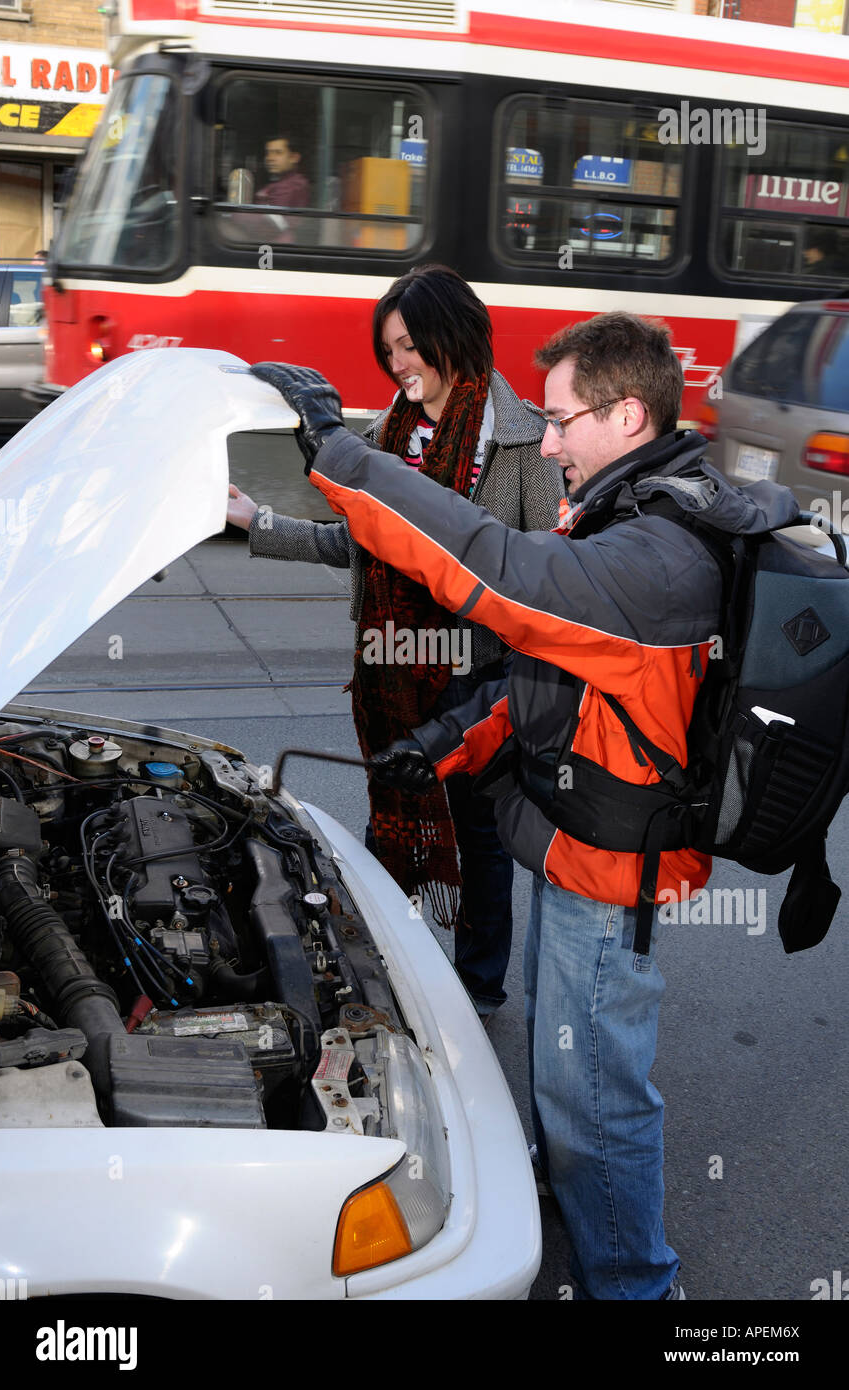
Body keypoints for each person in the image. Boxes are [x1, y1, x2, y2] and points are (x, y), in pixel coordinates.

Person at [246, 312, 799, 1299]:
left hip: (606, 868)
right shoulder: (636, 511)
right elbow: (549, 680)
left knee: (596, 1101)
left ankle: (634, 1285)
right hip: (573, 845)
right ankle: (570, 1200)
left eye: (558, 422)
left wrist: (334, 447)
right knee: (565, 1071)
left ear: (626, 414)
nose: (543, 444)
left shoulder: (652, 557)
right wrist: (447, 742)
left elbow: (494, 574)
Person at [227, 264, 561, 1019]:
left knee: (479, 838)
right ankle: (389, 968)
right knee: (390, 823)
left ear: (453, 337)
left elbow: (547, 570)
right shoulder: (387, 435)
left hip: (480, 676)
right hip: (394, 672)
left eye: (409, 346)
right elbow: (360, 543)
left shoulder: (522, 440)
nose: (398, 364)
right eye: (390, 351)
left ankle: (477, 987)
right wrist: (258, 522)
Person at [255, 134, 310, 243]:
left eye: (278, 153)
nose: (270, 158)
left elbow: (270, 225)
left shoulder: (293, 185)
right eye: (268, 153)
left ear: (294, 158)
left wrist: (236, 215)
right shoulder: (279, 183)